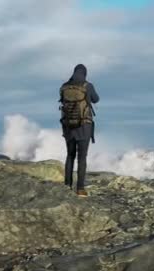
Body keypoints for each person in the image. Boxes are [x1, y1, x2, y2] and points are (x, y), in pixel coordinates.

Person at [59, 64, 99, 197]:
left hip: (68, 126)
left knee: (70, 156)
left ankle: (67, 185)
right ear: (85, 73)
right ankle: (80, 189)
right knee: (82, 157)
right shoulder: (87, 86)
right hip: (84, 126)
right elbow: (96, 99)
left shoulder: (64, 87)